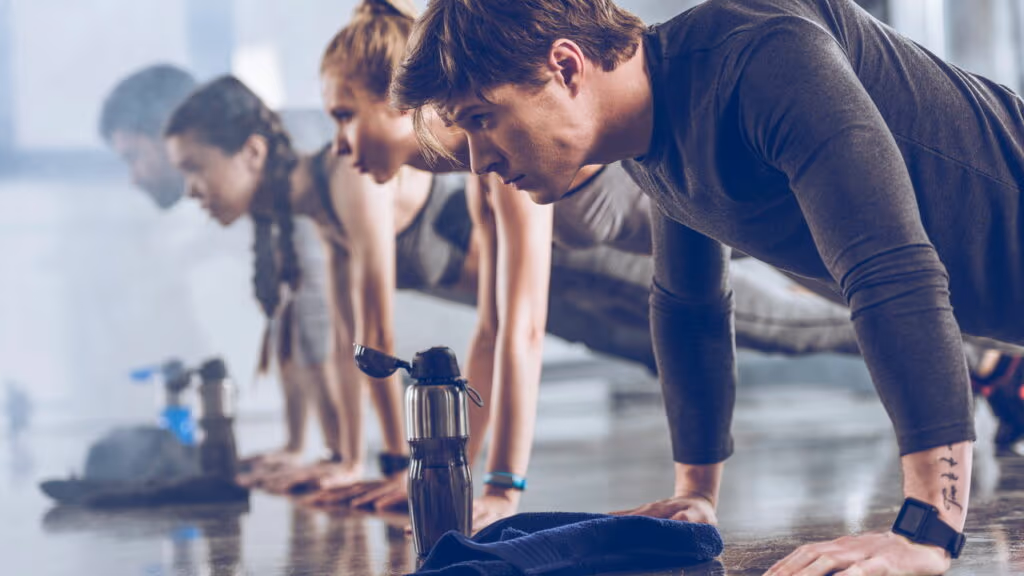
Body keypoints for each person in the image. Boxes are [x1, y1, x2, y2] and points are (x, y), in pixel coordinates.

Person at [392, 0, 1024, 573]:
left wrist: (928, 528)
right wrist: (695, 493)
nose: (477, 160)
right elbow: (688, 305)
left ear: (565, 66)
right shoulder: (656, 136)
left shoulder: (764, 58)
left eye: (482, 118)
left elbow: (890, 265)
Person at [99, 65, 348, 489]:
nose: (134, 177)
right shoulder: (241, 180)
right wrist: (294, 447)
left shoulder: (285, 152)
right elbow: (285, 312)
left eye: (133, 157)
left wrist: (341, 459)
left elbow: (318, 312)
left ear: (170, 132)